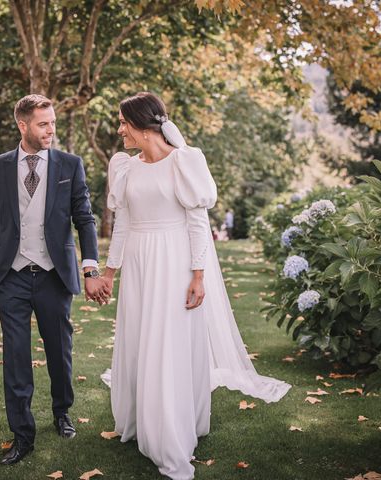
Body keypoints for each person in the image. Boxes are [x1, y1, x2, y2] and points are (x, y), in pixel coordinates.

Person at [100, 92, 290, 480]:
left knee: (167, 343)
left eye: (122, 122)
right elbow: (122, 224)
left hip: (173, 262)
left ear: (142, 123)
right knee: (139, 340)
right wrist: (109, 272)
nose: (119, 129)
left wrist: (199, 274)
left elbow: (198, 223)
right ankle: (139, 419)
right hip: (137, 263)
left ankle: (169, 434)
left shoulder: (185, 161)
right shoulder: (124, 167)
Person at [0, 94, 110, 466]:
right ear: (23, 125)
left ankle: (62, 411)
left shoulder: (70, 164)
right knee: (16, 357)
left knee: (59, 352)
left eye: (52, 122)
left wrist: (90, 267)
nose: (51, 130)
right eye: (43, 124)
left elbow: (84, 219)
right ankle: (22, 435)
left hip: (54, 275)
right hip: (12, 275)